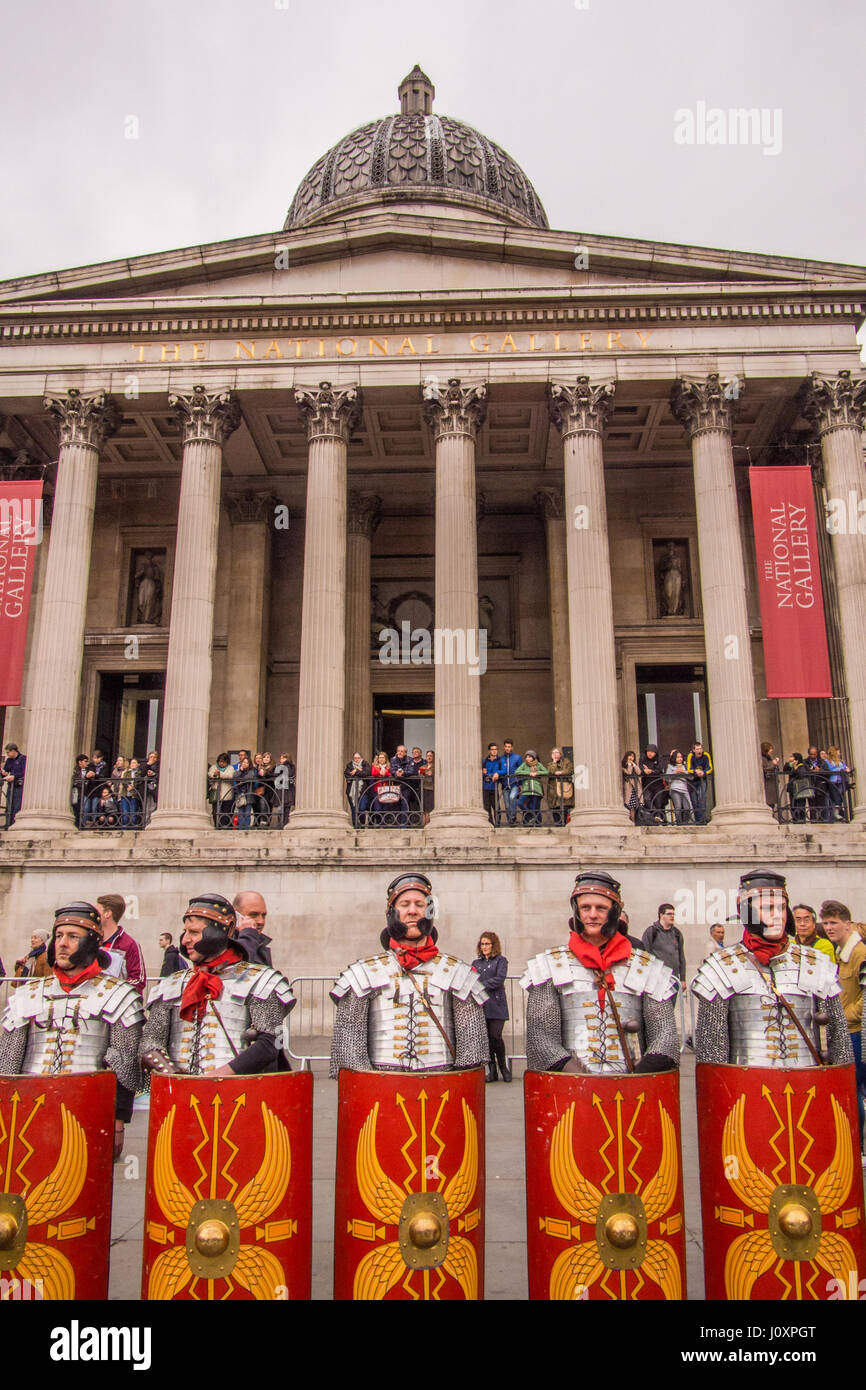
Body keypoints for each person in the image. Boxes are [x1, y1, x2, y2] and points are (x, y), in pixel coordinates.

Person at [0, 901, 144, 1158]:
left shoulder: (119, 995)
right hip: (29, 1110)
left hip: (88, 1112)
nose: (62, 943)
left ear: (91, 943)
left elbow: (125, 1067)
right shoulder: (28, 995)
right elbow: (7, 1065)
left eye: (72, 937)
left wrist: (118, 1119)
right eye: (58, 936)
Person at [329, 871, 489, 1076]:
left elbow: (471, 1057)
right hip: (381, 1093)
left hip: (441, 1092)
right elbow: (350, 1057)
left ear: (429, 912)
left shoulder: (458, 974)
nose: (412, 911)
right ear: (392, 913)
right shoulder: (363, 975)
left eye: (420, 905)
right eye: (404, 904)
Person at [521, 869, 679, 1074]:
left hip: (634, 1091)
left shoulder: (646, 968)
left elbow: (664, 1036)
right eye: (585, 907)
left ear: (614, 912)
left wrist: (638, 1076)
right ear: (577, 911)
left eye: (601, 908)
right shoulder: (551, 967)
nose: (592, 915)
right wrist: (577, 1075)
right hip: (570, 1091)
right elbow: (541, 1037)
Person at [691, 868, 851, 1067]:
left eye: (782, 908)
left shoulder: (815, 964)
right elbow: (713, 1056)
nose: (778, 916)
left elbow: (839, 1041)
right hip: (746, 1088)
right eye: (768, 908)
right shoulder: (720, 967)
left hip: (809, 1086)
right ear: (747, 912)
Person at [140, 893, 295, 1077]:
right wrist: (176, 1077)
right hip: (180, 1097)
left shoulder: (260, 981)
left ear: (223, 932)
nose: (184, 940)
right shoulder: (172, 985)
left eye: (194, 932)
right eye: (186, 932)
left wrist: (215, 1078)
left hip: (241, 1095)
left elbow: (270, 1045)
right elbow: (149, 1043)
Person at [820, 899, 866, 1147]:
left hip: (858, 1032)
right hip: (847, 1031)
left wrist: (843, 1016)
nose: (829, 927)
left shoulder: (860, 953)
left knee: (854, 1089)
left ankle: (857, 1146)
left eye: (834, 922)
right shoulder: (841, 953)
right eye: (826, 923)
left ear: (847, 924)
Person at [473, 931, 510, 1082]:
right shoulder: (476, 963)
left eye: (487, 944)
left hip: (497, 1003)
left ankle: (503, 1066)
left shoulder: (501, 960)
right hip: (482, 1004)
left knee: (496, 1036)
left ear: (493, 945)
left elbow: (499, 979)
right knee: (486, 1039)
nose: (484, 947)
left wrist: (481, 985)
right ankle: (492, 1069)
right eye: (482, 944)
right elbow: (472, 979)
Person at [97, 894, 147, 995]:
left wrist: (113, 987)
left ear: (107, 914)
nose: (93, 916)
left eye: (97, 912)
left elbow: (138, 980)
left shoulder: (129, 944)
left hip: (115, 1004)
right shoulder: (92, 941)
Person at [642, 902, 686, 983]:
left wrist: (683, 979)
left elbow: (681, 957)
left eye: (673, 914)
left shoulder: (677, 933)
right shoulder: (651, 932)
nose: (672, 916)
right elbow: (645, 954)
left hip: (674, 979)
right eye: (669, 914)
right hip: (656, 979)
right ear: (661, 915)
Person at [232, 890, 273, 966]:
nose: (261, 921)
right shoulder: (224, 944)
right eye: (253, 915)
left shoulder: (259, 943)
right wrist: (248, 933)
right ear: (236, 915)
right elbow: (239, 970)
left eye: (263, 915)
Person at [514, 750, 547, 826]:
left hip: (536, 789)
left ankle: (537, 823)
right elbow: (517, 771)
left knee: (535, 807)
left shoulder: (538, 764)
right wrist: (529, 773)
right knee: (520, 803)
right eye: (526, 757)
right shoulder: (524, 765)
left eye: (529, 757)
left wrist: (536, 773)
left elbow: (546, 772)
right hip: (526, 789)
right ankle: (530, 814)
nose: (527, 758)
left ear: (533, 757)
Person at [685, 740, 712, 824]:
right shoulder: (690, 756)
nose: (699, 751)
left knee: (702, 799)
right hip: (693, 781)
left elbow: (710, 768)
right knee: (694, 801)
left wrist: (704, 772)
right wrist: (695, 772)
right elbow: (689, 768)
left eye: (700, 749)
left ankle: (702, 819)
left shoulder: (706, 755)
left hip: (702, 780)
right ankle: (697, 820)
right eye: (697, 749)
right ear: (693, 750)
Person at [664, 750, 693, 825]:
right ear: (674, 758)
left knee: (687, 807)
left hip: (684, 789)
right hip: (675, 788)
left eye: (681, 757)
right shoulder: (670, 766)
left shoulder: (685, 766)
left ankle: (685, 822)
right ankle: (679, 823)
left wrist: (684, 772)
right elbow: (667, 778)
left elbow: (691, 777)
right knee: (678, 807)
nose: (680, 759)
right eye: (678, 757)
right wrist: (674, 773)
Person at [546, 748, 574, 826]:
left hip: (564, 788)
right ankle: (557, 824)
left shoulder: (566, 762)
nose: (555, 754)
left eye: (557, 752)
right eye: (553, 753)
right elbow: (550, 771)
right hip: (553, 789)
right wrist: (554, 762)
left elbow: (570, 770)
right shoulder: (550, 764)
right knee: (554, 808)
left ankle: (564, 824)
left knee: (564, 807)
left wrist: (561, 772)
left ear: (560, 754)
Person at [498, 739, 522, 825]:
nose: (507, 748)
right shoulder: (500, 758)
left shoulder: (517, 757)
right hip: (505, 785)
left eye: (509, 747)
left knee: (512, 798)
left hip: (514, 783)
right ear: (504, 747)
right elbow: (499, 770)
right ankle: (511, 822)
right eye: (506, 747)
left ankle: (513, 818)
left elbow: (520, 771)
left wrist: (520, 784)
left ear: (512, 747)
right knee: (507, 805)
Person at [640, 744, 666, 821]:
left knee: (659, 801)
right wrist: (644, 771)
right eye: (648, 751)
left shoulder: (659, 758)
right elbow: (641, 769)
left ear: (655, 753)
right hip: (647, 783)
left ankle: (661, 819)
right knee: (646, 799)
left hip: (658, 784)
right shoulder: (642, 758)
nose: (650, 753)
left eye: (652, 752)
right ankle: (656, 814)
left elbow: (660, 770)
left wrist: (650, 771)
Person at [2, 742, 26, 825]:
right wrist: (4, 773)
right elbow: (6, 770)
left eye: (8, 752)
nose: (7, 754)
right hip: (10, 786)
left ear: (13, 751)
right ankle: (8, 824)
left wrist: (14, 776)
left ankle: (14, 824)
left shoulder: (23, 759)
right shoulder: (9, 760)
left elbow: (24, 772)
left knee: (17, 806)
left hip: (19, 786)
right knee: (9, 806)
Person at [208, 752, 235, 826]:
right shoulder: (214, 767)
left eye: (223, 762)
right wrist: (214, 774)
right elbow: (210, 774)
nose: (221, 763)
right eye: (220, 761)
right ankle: (217, 825)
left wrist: (220, 774)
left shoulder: (230, 768)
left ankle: (224, 826)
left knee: (226, 812)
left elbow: (230, 775)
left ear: (227, 762)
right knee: (215, 811)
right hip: (216, 793)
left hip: (227, 794)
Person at [344, 752, 371, 825]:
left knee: (362, 809)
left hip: (363, 791)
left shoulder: (365, 764)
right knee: (353, 809)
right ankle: (355, 825)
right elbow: (347, 774)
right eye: (355, 758)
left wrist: (356, 771)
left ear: (361, 758)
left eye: (358, 758)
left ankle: (362, 825)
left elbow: (367, 773)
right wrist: (360, 772)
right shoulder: (349, 765)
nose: (356, 760)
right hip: (351, 792)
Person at [825, 745, 850, 821]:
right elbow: (830, 769)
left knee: (840, 797)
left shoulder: (841, 761)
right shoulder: (827, 761)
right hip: (833, 781)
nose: (839, 753)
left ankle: (838, 813)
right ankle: (835, 814)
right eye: (838, 751)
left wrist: (846, 769)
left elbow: (845, 767)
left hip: (841, 781)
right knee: (836, 797)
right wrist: (841, 769)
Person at [481, 742, 502, 825]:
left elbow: (503, 770)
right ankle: (491, 824)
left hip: (494, 787)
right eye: (492, 749)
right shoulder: (484, 761)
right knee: (487, 808)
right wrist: (482, 772)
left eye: (496, 749)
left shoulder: (500, 761)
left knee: (497, 807)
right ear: (489, 751)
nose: (494, 751)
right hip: (485, 787)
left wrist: (497, 773)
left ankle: (498, 824)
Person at [621, 750, 641, 822]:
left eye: (633, 756)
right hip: (628, 787)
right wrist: (629, 765)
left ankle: (634, 821)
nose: (631, 758)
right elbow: (628, 772)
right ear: (626, 756)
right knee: (630, 806)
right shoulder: (623, 765)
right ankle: (632, 822)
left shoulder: (634, 764)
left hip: (635, 788)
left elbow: (639, 772)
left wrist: (634, 765)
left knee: (635, 807)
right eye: (630, 756)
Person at [761, 741, 781, 810]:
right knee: (769, 803)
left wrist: (775, 765)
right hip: (768, 783)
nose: (771, 750)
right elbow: (765, 768)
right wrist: (773, 764)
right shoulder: (762, 758)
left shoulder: (768, 757)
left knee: (772, 804)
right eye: (770, 749)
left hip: (772, 783)